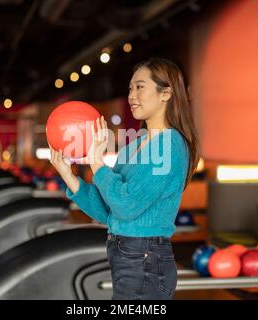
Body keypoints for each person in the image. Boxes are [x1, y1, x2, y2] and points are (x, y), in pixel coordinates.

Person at [49, 57, 200, 300]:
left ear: (166, 94)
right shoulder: (136, 144)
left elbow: (127, 205)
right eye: (130, 88)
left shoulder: (169, 145)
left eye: (140, 87)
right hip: (127, 256)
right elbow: (110, 210)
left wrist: (97, 163)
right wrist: (68, 175)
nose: (131, 95)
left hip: (146, 261)